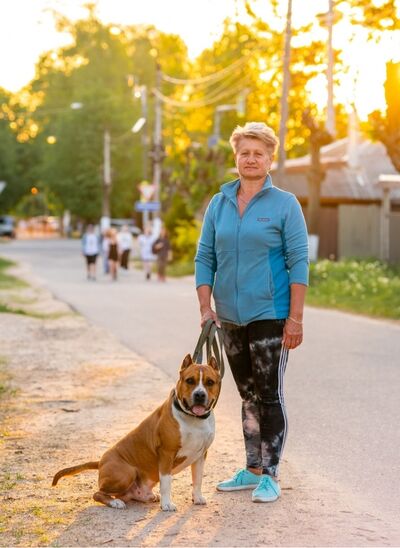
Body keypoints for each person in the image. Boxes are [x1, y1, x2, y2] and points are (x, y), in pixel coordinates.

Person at [195, 122, 309, 504]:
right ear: (236, 157)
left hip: (271, 315)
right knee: (246, 394)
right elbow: (205, 257)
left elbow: (299, 262)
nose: (251, 159)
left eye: (258, 153)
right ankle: (252, 468)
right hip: (229, 317)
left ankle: (271, 474)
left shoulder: (285, 204)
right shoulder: (219, 202)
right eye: (245, 152)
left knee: (269, 394)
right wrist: (205, 308)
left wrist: (295, 318)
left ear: (270, 158)